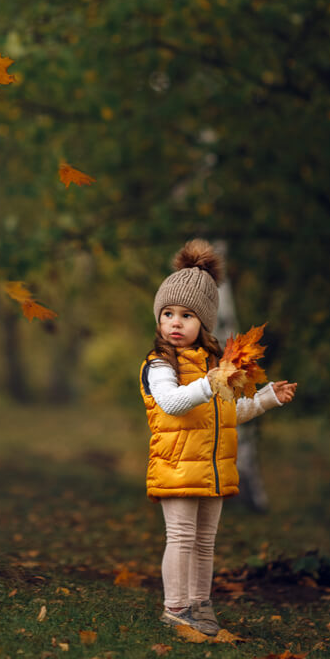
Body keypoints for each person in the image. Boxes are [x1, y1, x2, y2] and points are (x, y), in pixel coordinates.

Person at [139, 239, 297, 635]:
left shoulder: (213, 365)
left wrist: (263, 399)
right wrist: (211, 382)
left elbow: (225, 414)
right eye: (168, 314)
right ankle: (175, 609)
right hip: (176, 464)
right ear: (159, 319)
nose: (175, 322)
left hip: (212, 467)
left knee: (204, 542)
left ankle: (200, 605)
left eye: (187, 315)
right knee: (180, 537)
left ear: (204, 322)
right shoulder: (159, 365)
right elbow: (173, 404)